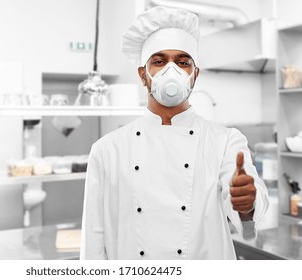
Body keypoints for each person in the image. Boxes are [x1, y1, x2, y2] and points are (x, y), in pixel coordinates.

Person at [80, 6, 269, 260]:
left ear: (194, 75)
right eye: (159, 61)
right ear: (143, 75)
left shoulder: (225, 141)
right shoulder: (107, 150)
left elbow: (246, 210)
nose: (173, 71)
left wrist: (246, 202)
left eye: (183, 62)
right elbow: (93, 239)